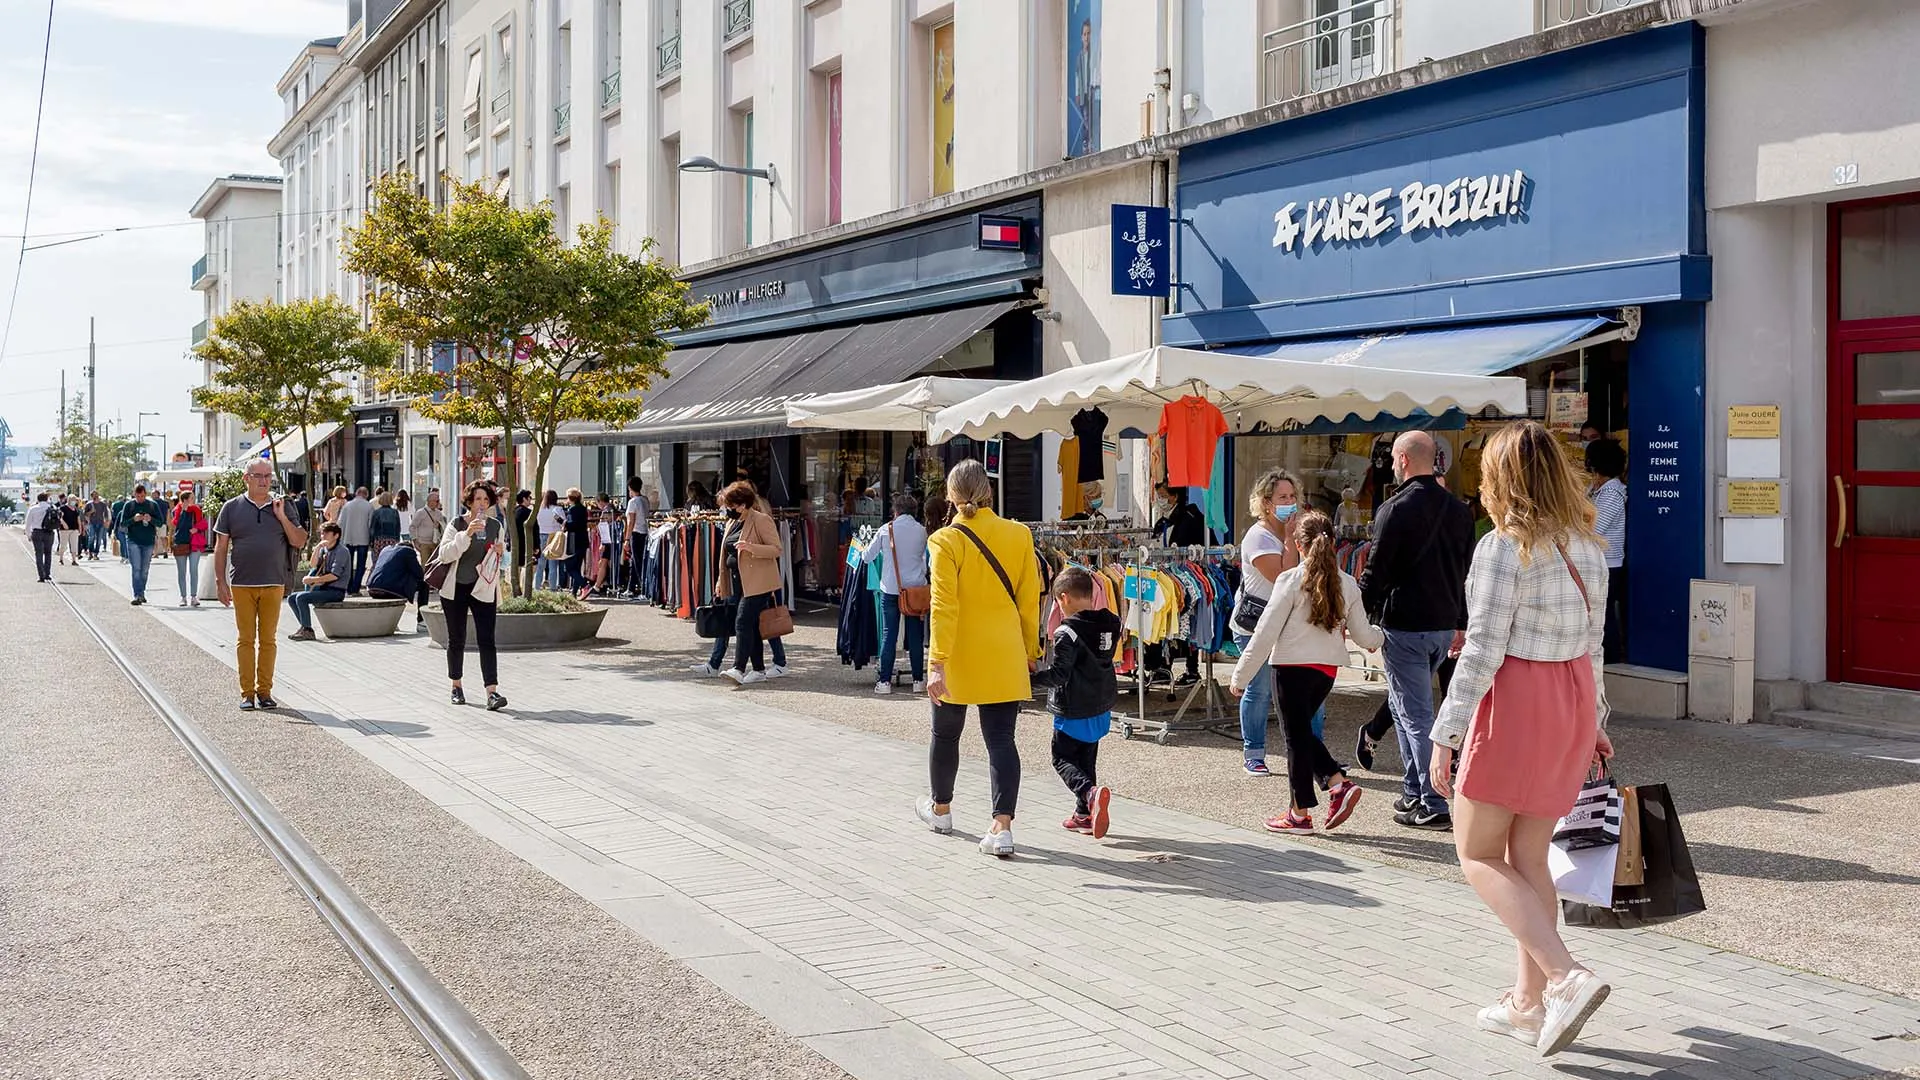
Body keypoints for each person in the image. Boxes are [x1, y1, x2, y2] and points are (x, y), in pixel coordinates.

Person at [1429, 421, 1613, 1057]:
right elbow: (1594, 647)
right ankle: (1526, 1004)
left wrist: (1446, 732)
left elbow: (1482, 649)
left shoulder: (1504, 546)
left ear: (1500, 477)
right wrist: (1597, 722)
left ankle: (1564, 976)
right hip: (1568, 701)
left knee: (1477, 853)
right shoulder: (1587, 545)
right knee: (1530, 857)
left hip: (1515, 699)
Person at [916, 460, 1043, 858]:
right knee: (1001, 740)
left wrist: (936, 661)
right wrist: (1031, 649)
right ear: (988, 492)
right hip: (1004, 649)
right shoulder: (1018, 534)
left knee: (945, 735)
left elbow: (944, 606)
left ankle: (941, 809)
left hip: (958, 652)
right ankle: (1001, 826)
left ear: (950, 497)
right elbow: (1029, 598)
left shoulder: (944, 541)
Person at [1229, 510, 1381, 834]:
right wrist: (1381, 636)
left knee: (1295, 738)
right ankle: (1331, 787)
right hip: (1326, 672)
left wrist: (1240, 676)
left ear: (1298, 545)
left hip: (1289, 668)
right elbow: (1364, 635)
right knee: (1302, 735)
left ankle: (1303, 812)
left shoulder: (1289, 581)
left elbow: (1264, 634)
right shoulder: (1348, 584)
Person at [1359, 430, 1474, 831]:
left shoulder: (1394, 509)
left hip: (1406, 623)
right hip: (1443, 624)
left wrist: (1360, 619)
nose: (1391, 463)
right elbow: (1463, 574)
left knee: (1416, 715)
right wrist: (1460, 621)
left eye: (1393, 457)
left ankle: (1434, 800)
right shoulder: (1460, 511)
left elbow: (1376, 572)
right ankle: (1414, 790)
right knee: (1408, 709)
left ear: (1404, 460)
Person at [1029, 567, 1121, 839]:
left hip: (1073, 707)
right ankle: (1083, 814)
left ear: (1064, 598)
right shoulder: (1112, 622)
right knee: (1086, 758)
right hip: (1101, 703)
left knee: (1062, 758)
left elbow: (1060, 674)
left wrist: (1028, 681)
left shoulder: (1066, 632)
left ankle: (1089, 794)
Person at [213, 461, 309, 711]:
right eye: (259, 476)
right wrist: (220, 581)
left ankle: (264, 691)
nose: (264, 481)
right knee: (245, 639)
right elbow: (221, 547)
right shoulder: (231, 508)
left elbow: (299, 541)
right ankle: (247, 693)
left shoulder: (283, 506)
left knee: (268, 640)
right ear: (246, 478)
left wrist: (281, 517)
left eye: (268, 476)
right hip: (242, 583)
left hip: (273, 582)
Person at [1234, 470, 1303, 777]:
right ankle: (1254, 753)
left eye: (1292, 497)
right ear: (1266, 503)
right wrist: (1290, 538)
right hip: (1256, 625)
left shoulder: (1296, 530)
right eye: (1283, 498)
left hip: (1288, 623)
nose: (1290, 503)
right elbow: (1283, 577)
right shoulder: (1258, 537)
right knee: (1258, 689)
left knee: (1303, 690)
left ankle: (1312, 751)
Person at [436, 480, 508, 711]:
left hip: (483, 588)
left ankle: (492, 692)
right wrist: (466, 534)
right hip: (456, 587)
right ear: (469, 501)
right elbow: (445, 555)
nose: (482, 504)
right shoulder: (456, 524)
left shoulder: (496, 526)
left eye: (486, 500)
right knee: (456, 638)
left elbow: (502, 559)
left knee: (487, 639)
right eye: (478, 499)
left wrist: (500, 552)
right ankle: (456, 686)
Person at [713, 482, 783, 687]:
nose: (728, 510)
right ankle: (759, 669)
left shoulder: (761, 520)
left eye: (731, 506)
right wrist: (720, 580)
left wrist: (751, 548)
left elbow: (776, 549)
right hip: (739, 582)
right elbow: (724, 555)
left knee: (742, 621)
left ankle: (739, 668)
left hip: (759, 582)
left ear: (743, 504)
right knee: (751, 625)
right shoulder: (732, 523)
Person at [862, 493, 930, 695]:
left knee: (889, 635)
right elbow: (925, 558)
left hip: (891, 588)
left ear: (896, 511)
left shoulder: (886, 530)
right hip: (916, 589)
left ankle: (884, 682)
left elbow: (867, 557)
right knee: (915, 636)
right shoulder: (922, 531)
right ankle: (918, 680)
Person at [1586, 437, 1628, 664]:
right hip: (1599, 562)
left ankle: (1611, 656)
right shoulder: (1598, 491)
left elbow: (1593, 527)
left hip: (1609, 564)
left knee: (1604, 613)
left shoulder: (1613, 493)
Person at [286, 522, 351, 641]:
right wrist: (317, 548)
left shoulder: (342, 551)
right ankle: (305, 627)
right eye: (321, 533)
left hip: (335, 591)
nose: (323, 536)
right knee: (291, 598)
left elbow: (334, 575)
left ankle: (307, 630)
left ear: (336, 535)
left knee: (301, 598)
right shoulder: (324, 549)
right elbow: (313, 565)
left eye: (326, 533)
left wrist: (313, 580)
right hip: (322, 588)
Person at [117, 484, 168, 606]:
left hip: (148, 541)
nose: (140, 498)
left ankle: (142, 592)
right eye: (138, 496)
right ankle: (137, 594)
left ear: (146, 494)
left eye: (143, 496)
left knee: (144, 570)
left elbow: (160, 523)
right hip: (133, 540)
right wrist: (133, 519)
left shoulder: (152, 505)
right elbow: (122, 524)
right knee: (136, 569)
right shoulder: (129, 505)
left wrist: (151, 519)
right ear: (134, 494)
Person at [170, 488, 210, 607]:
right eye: (192, 498)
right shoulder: (177, 510)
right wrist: (184, 512)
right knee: (182, 572)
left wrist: (196, 529)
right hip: (182, 543)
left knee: (193, 570)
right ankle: (183, 597)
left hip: (195, 543)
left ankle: (193, 596)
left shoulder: (197, 510)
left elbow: (204, 524)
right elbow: (178, 525)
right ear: (185, 500)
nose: (194, 500)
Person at [337, 486, 373, 594]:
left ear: (356, 493)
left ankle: (348, 587)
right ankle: (355, 588)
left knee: (348, 564)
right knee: (361, 564)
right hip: (363, 538)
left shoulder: (347, 505)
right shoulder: (369, 506)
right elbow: (370, 524)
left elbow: (340, 522)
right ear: (366, 495)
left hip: (348, 537)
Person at [623, 476, 651, 599]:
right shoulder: (645, 500)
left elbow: (631, 521)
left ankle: (644, 589)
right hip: (645, 532)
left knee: (638, 562)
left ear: (630, 488)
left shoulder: (632, 502)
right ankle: (630, 587)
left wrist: (627, 539)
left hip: (636, 533)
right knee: (636, 560)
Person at [562, 488, 591, 593]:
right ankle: (574, 592)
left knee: (570, 567)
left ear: (570, 498)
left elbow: (572, 525)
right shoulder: (583, 509)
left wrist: (563, 523)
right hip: (583, 540)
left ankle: (584, 585)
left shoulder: (572, 510)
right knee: (577, 567)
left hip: (574, 541)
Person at [536, 490, 566, 589]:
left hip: (541, 534)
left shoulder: (539, 509)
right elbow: (563, 523)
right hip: (554, 536)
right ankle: (553, 587)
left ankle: (537, 586)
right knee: (553, 564)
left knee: (541, 564)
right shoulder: (558, 509)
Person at [411, 488, 447, 564]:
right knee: (425, 564)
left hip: (435, 543)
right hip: (424, 543)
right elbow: (413, 526)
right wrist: (415, 540)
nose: (438, 503)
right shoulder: (421, 513)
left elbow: (443, 528)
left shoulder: (439, 513)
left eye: (438, 501)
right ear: (430, 501)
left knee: (434, 565)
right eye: (436, 501)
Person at [26, 492, 56, 581]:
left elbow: (28, 524)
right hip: (49, 533)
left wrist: (29, 535)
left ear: (38, 499)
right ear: (47, 499)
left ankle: (41, 575)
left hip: (37, 533)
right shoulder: (51, 508)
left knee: (38, 554)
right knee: (48, 553)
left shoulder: (33, 509)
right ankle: (47, 573)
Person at [370, 490, 402, 566]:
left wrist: (371, 541)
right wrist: (397, 539)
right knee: (390, 562)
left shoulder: (376, 512)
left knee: (378, 562)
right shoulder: (395, 512)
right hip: (392, 540)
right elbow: (398, 527)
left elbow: (372, 528)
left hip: (379, 540)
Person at [512, 489, 535, 582]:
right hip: (526, 543)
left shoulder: (513, 511)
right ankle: (525, 584)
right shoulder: (528, 513)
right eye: (529, 497)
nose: (530, 499)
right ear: (524, 499)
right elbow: (534, 529)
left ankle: (517, 585)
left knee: (517, 566)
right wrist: (536, 545)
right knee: (528, 566)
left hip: (516, 542)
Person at [56, 495, 81, 566]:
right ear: (68, 500)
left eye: (75, 500)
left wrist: (80, 528)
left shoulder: (76, 509)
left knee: (74, 544)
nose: (74, 501)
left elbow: (78, 519)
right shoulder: (63, 508)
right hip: (64, 530)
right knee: (63, 544)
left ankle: (74, 560)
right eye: (72, 499)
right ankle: (61, 559)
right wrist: (64, 524)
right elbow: (60, 517)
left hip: (74, 529)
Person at [85, 492, 110, 561]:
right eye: (93, 496)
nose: (95, 497)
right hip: (92, 523)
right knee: (91, 538)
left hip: (101, 523)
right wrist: (91, 512)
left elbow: (106, 514)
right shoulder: (89, 504)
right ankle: (90, 553)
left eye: (96, 495)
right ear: (91, 497)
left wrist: (106, 521)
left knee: (99, 540)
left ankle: (96, 554)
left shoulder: (102, 504)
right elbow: (85, 514)